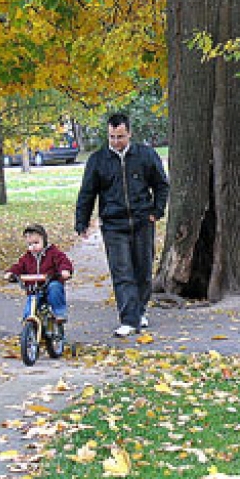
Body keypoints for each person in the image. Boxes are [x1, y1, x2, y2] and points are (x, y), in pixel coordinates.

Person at [75, 113, 170, 337]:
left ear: (129, 134)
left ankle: (140, 310)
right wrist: (82, 222)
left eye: (120, 136)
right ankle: (128, 319)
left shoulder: (145, 155)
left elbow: (161, 185)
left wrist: (157, 211)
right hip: (113, 223)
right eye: (112, 137)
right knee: (122, 272)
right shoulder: (98, 160)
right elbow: (87, 193)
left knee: (143, 270)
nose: (116, 141)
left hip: (142, 221)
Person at [4, 224, 74, 322]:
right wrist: (11, 273)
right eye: (29, 244)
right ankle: (28, 331)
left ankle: (59, 313)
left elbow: (63, 261)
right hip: (34, 289)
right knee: (29, 311)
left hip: (49, 285)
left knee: (55, 287)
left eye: (36, 243)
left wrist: (65, 271)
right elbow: (18, 267)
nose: (33, 247)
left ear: (44, 241)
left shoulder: (53, 253)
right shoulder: (27, 258)